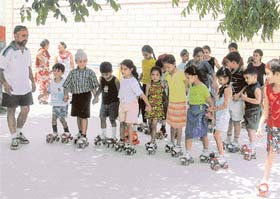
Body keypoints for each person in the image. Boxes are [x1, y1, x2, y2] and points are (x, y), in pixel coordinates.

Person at [0, 25, 36, 150]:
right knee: (11, 112)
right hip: (11, 88)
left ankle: (19, 131)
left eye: (27, 35)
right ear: (15, 36)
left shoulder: (27, 51)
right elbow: (0, 69)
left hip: (25, 88)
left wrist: (33, 81)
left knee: (25, 110)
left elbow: (28, 67)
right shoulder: (8, 51)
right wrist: (4, 83)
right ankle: (14, 137)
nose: (26, 38)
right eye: (23, 35)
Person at [63, 49, 99, 148]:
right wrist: (66, 95)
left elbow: (93, 85)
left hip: (85, 95)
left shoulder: (90, 72)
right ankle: (80, 132)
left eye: (84, 61)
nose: (82, 63)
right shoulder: (73, 73)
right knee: (78, 115)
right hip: (76, 96)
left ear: (86, 61)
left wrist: (96, 96)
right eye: (80, 61)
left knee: (84, 116)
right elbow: (66, 85)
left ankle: (84, 135)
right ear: (76, 61)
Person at [256, 59, 280, 197]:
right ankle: (264, 180)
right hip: (274, 126)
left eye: (268, 74)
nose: (266, 77)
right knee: (271, 153)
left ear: (277, 74)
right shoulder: (267, 88)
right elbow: (266, 111)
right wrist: (260, 125)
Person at [117, 59, 151, 154]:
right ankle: (122, 139)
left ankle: (131, 143)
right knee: (122, 123)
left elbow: (141, 94)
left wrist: (148, 104)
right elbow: (122, 91)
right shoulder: (123, 78)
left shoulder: (133, 81)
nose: (123, 71)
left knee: (129, 125)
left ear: (131, 69)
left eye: (125, 69)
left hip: (131, 105)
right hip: (122, 104)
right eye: (122, 69)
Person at [181, 66, 214, 164]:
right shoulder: (192, 85)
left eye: (188, 77)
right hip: (191, 112)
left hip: (201, 113)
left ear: (195, 76)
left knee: (203, 134)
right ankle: (188, 153)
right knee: (188, 133)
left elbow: (210, 102)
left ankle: (205, 151)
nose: (186, 79)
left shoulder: (203, 87)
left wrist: (211, 114)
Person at [162, 54, 187, 157]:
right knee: (172, 123)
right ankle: (172, 141)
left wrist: (187, 94)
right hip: (171, 102)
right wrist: (164, 84)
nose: (167, 69)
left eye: (169, 67)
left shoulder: (181, 74)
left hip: (180, 102)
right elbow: (165, 83)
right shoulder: (167, 75)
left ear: (174, 64)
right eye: (165, 67)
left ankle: (178, 145)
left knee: (179, 125)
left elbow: (187, 84)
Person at [224, 52, 247, 152]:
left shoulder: (242, 72)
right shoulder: (229, 71)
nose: (227, 64)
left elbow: (247, 85)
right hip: (229, 100)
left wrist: (239, 94)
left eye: (228, 62)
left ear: (234, 62)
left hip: (237, 101)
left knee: (236, 121)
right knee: (229, 119)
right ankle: (228, 139)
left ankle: (236, 141)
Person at [93, 61, 120, 145]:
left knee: (112, 119)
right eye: (103, 74)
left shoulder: (115, 80)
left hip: (113, 103)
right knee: (102, 118)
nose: (105, 76)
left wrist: (120, 105)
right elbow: (100, 88)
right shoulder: (101, 79)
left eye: (107, 74)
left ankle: (114, 136)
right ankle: (103, 135)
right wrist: (96, 97)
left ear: (111, 72)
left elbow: (120, 92)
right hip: (104, 103)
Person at [211, 67, 232, 167]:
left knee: (217, 135)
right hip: (218, 114)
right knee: (215, 134)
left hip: (223, 115)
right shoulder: (222, 88)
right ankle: (220, 152)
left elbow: (225, 104)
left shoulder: (227, 89)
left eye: (221, 79)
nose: (219, 81)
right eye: (218, 79)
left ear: (227, 78)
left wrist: (214, 109)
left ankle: (222, 156)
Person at [46, 63, 71, 143]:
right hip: (55, 104)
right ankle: (55, 132)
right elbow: (48, 91)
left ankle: (67, 131)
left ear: (62, 72)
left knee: (61, 119)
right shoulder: (52, 82)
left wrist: (66, 96)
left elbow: (68, 91)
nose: (55, 72)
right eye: (54, 71)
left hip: (62, 104)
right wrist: (43, 95)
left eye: (58, 71)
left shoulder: (64, 82)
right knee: (53, 119)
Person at [240, 67, 262, 160]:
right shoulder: (249, 86)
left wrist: (246, 99)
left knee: (252, 131)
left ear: (254, 77)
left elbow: (258, 101)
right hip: (249, 111)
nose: (246, 80)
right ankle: (251, 144)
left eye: (247, 78)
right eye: (245, 78)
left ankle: (253, 148)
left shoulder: (257, 88)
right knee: (249, 130)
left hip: (254, 111)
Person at [145, 66, 166, 154]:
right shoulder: (149, 84)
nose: (155, 76)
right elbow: (146, 96)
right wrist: (147, 105)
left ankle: (153, 142)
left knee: (154, 125)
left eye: (157, 75)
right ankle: (152, 139)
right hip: (150, 107)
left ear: (160, 76)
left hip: (158, 108)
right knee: (150, 126)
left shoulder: (162, 84)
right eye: (153, 74)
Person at [139, 45, 156, 128]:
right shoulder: (143, 61)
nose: (144, 57)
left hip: (151, 85)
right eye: (143, 55)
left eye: (146, 55)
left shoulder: (154, 62)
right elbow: (143, 72)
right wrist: (139, 78)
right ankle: (144, 121)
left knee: (150, 103)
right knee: (142, 102)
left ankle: (151, 121)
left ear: (151, 53)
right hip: (144, 84)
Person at [35, 39, 51, 104]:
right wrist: (43, 61)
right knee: (43, 85)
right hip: (42, 71)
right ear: (45, 45)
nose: (48, 46)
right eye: (48, 45)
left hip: (45, 70)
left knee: (45, 84)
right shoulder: (42, 50)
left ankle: (43, 99)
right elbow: (37, 55)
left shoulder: (45, 51)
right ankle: (42, 99)